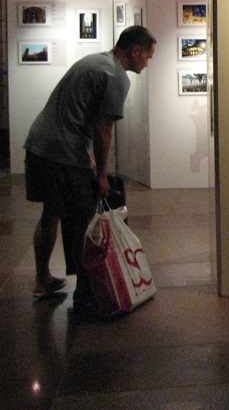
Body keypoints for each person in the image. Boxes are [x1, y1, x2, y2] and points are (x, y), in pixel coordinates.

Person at [24, 25, 156, 313]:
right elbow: (103, 127)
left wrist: (88, 159)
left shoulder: (94, 61)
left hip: (40, 145)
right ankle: (88, 292)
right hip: (62, 154)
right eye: (147, 56)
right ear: (134, 51)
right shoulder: (116, 76)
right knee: (83, 217)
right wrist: (101, 175)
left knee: (51, 212)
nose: (147, 63)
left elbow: (75, 112)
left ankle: (43, 279)